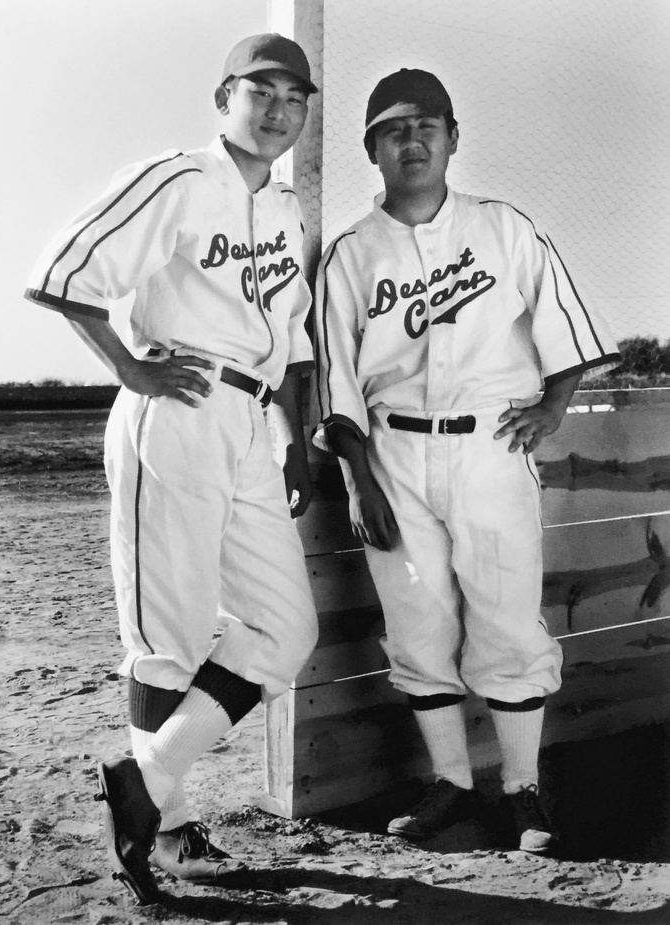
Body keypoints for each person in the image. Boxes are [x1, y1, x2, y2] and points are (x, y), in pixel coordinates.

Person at [25, 34, 319, 904]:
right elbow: (63, 271)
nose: (277, 109)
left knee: (285, 629)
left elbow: (291, 337)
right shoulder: (181, 178)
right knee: (169, 638)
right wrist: (129, 367)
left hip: (251, 418)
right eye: (260, 91)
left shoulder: (288, 208)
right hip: (179, 403)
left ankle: (143, 783)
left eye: (293, 97)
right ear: (224, 98)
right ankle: (171, 826)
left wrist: (294, 437)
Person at [312, 68, 620, 853]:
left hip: (492, 444)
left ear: (453, 138)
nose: (411, 141)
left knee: (507, 617)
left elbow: (567, 330)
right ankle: (450, 782)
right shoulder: (350, 253)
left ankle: (522, 788)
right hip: (394, 452)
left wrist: (552, 406)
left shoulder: (503, 227)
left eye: (426, 126)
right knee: (417, 624)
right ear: (372, 150)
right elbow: (336, 381)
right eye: (393, 130)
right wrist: (358, 479)